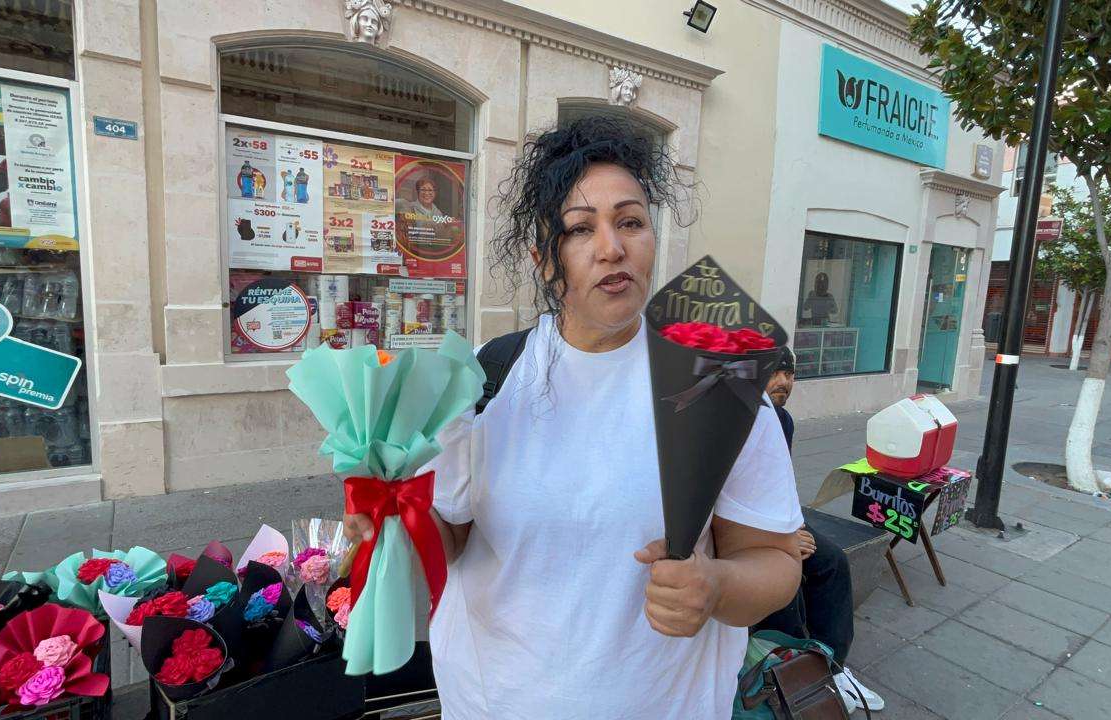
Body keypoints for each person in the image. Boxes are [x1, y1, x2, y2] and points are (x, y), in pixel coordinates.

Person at [343, 115, 804, 719]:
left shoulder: (715, 376)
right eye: (581, 228)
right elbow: (451, 536)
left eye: (631, 222)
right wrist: (390, 521)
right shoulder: (484, 377)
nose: (613, 248)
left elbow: (775, 560)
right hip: (490, 702)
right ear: (544, 258)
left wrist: (716, 586)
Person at [756, 347, 885, 714]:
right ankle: (796, 673)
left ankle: (832, 666)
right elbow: (726, 502)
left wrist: (793, 524)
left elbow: (780, 482)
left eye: (789, 374)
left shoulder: (782, 420)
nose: (783, 382)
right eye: (774, 372)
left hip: (781, 517)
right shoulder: (736, 424)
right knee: (787, 577)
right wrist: (780, 539)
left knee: (832, 562)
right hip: (746, 529)